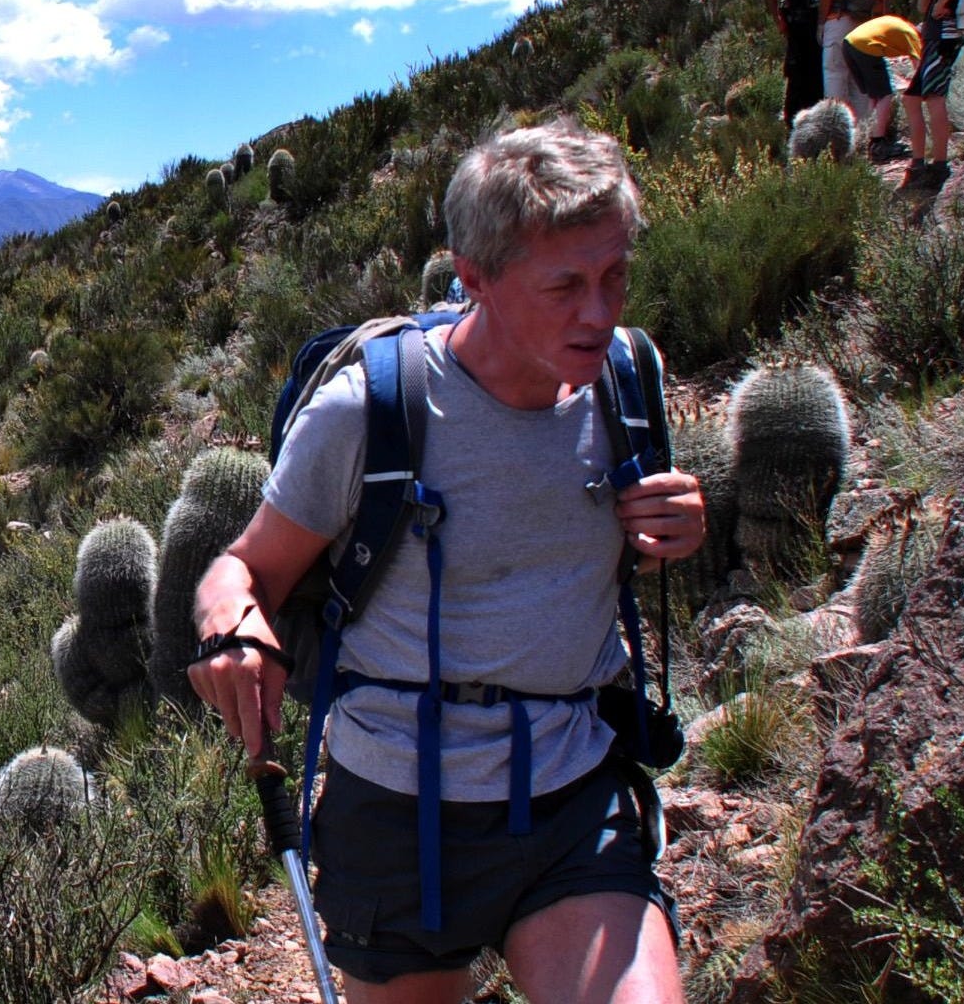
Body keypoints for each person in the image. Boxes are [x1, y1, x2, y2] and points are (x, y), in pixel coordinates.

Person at [188, 119, 708, 1004]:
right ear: (475, 280)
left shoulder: (626, 382)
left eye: (616, 273)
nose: (601, 309)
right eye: (566, 284)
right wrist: (227, 633)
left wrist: (679, 529)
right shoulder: (372, 413)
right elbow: (244, 569)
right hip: (397, 807)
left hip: (573, 787)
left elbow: (601, 557)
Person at [818, 0, 906, 160]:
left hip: (838, 21)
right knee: (859, 85)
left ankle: (838, 147)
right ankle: (862, 144)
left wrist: (821, 22)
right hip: (864, 24)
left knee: (835, 78)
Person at [901, 0, 964, 185]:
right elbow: (921, 6)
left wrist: (941, 4)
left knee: (934, 98)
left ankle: (939, 165)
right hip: (934, 39)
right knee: (911, 98)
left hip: (943, 39)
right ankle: (919, 162)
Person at [765, 0, 836, 129]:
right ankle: (792, 128)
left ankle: (814, 127)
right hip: (798, 35)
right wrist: (779, 20)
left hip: (819, 35)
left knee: (818, 81)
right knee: (796, 80)